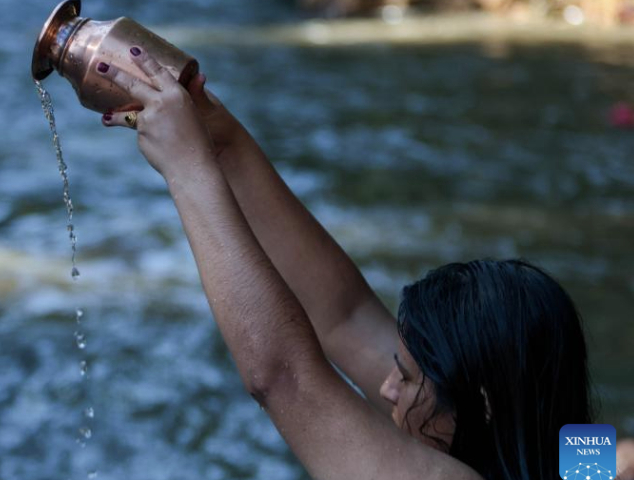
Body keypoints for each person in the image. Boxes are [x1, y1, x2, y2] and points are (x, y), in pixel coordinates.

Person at [96, 46, 630, 480]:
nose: (385, 387)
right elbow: (343, 315)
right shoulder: (568, 451)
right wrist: (221, 139)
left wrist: (187, 172)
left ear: (483, 402)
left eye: (406, 376)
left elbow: (283, 379)